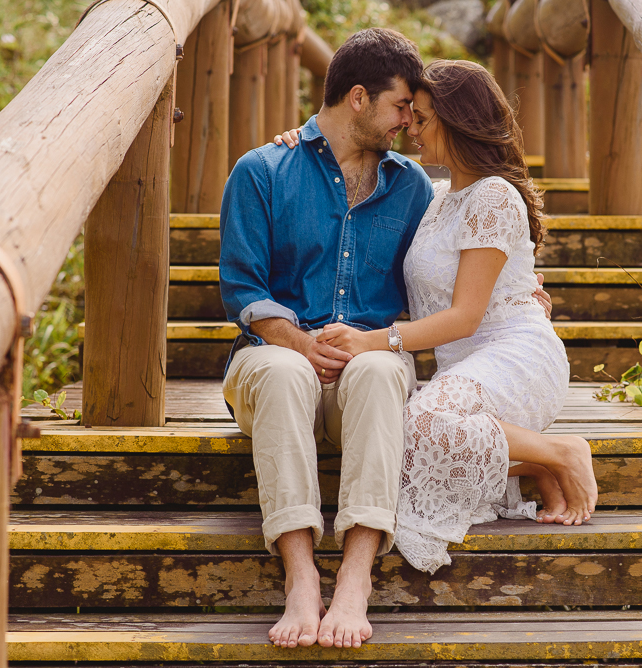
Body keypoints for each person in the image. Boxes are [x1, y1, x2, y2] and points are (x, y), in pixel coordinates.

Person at [221, 29, 552, 650]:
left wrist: (524, 282)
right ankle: (299, 577)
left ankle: (354, 576)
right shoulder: (262, 170)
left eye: (416, 112)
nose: (410, 122)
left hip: (366, 373)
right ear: (356, 99)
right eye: (402, 107)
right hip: (272, 361)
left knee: (376, 373)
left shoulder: (412, 188)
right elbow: (242, 289)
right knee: (286, 371)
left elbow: (469, 245)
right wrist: (294, 340)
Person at [280, 60, 598, 575]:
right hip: (461, 371)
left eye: (422, 119)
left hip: (512, 355)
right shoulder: (439, 199)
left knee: (416, 424)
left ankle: (561, 451)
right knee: (391, 437)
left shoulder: (494, 195)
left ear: (457, 121)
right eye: (408, 116)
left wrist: (369, 341)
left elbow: (467, 316)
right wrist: (305, 141)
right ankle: (533, 463)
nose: (410, 129)